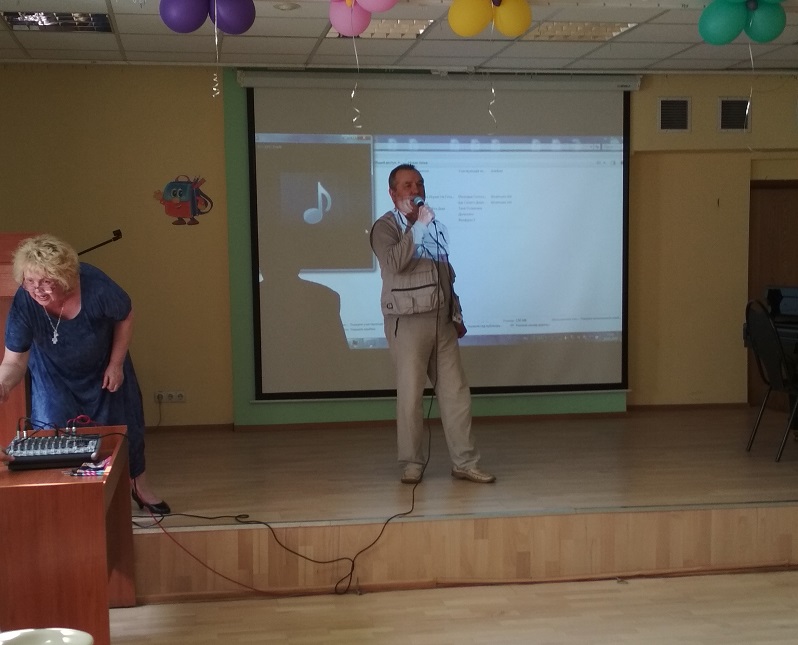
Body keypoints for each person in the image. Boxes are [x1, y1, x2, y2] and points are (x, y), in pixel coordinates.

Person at [0, 234, 170, 513]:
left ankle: (138, 487)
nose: (37, 289)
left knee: (123, 427)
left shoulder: (95, 285)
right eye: (30, 281)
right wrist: (3, 385)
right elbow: (13, 361)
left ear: (65, 277)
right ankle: (65, 500)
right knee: (52, 431)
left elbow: (125, 314)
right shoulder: (25, 301)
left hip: (103, 366)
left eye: (46, 281)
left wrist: (116, 364)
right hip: (53, 374)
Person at [370, 164, 495, 485]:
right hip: (407, 323)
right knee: (411, 397)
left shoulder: (435, 226)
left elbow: (444, 275)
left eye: (419, 184)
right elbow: (395, 263)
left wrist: (456, 313)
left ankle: (465, 462)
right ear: (392, 193)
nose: (415, 190)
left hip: (442, 322)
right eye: (407, 185)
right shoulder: (384, 228)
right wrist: (419, 228)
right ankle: (412, 464)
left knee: (456, 394)